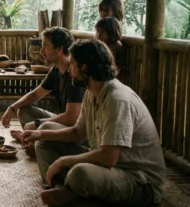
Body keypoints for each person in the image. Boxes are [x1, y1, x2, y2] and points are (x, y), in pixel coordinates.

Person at [22, 39, 165, 206]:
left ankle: (75, 196)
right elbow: (77, 132)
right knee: (44, 142)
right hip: (110, 170)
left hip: (139, 181)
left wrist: (63, 161)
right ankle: (66, 191)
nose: (69, 70)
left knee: (80, 173)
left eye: (73, 64)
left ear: (85, 68)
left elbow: (108, 158)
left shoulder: (117, 99)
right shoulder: (92, 92)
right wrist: (40, 133)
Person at [1, 27, 85, 151]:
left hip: (76, 131)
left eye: (45, 46)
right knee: (24, 110)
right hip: (62, 121)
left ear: (59, 49)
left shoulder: (75, 74)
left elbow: (71, 118)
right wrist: (12, 107)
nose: (41, 51)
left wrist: (37, 123)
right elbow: (35, 95)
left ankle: (34, 143)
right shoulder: (56, 70)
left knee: (43, 126)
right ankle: (31, 141)